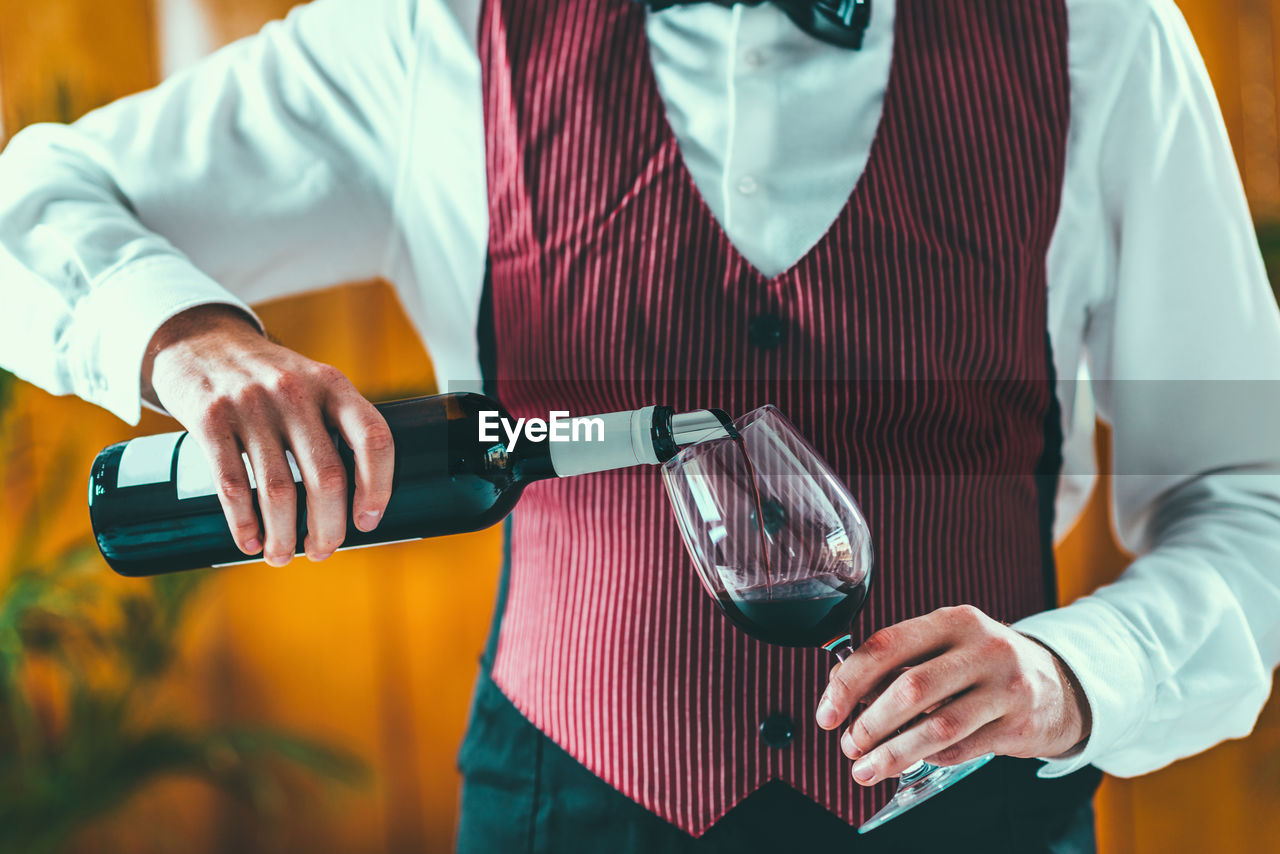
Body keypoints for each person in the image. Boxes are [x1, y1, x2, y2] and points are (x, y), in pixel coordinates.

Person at [2, 0, 1279, 850]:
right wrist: (192, 339)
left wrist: (1068, 678)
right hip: (568, 803)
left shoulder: (1098, 33)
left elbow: (1251, 487)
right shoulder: (434, 32)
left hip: (976, 816)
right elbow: (34, 196)